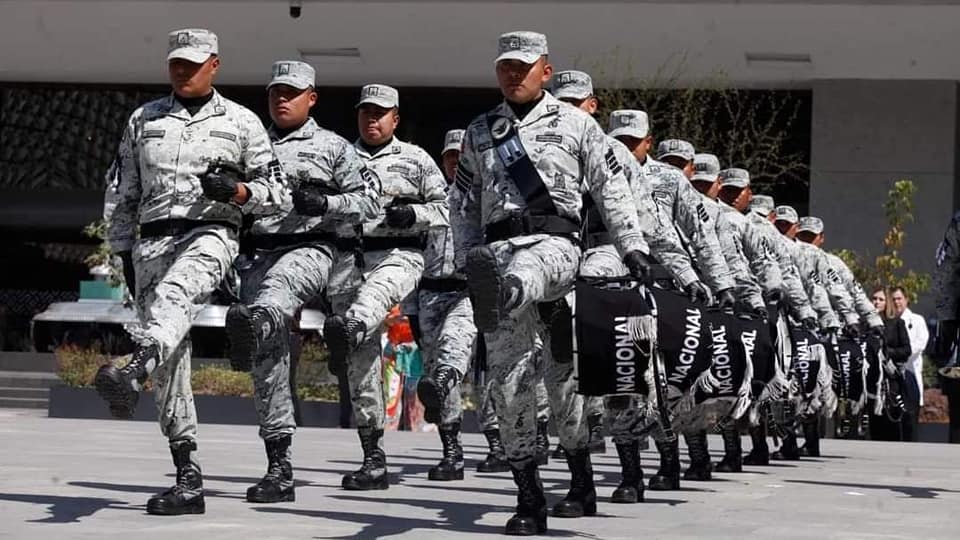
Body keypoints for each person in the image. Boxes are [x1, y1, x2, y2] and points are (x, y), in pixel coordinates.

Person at [452, 31, 651, 535]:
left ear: (545, 69)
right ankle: (531, 496)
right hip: (494, 255)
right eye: (505, 67)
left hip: (557, 249)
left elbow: (611, 189)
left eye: (523, 66)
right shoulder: (480, 131)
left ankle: (582, 478)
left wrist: (633, 247)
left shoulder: (578, 124)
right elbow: (463, 205)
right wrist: (464, 260)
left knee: (537, 296)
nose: (513, 74)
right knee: (512, 383)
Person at [97, 28, 287, 515]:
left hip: (210, 233)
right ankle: (187, 477)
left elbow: (279, 194)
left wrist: (241, 193)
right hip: (152, 241)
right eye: (176, 62)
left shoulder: (243, 123)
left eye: (193, 62)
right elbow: (123, 190)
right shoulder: (144, 119)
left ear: (215, 65)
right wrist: (121, 251)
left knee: (178, 296)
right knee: (171, 361)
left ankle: (134, 366)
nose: (183, 70)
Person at [227, 60, 380, 503]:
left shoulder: (333, 147)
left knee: (276, 297)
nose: (281, 99)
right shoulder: (249, 145)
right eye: (275, 91)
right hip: (256, 252)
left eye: (291, 92)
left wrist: (327, 202)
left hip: (312, 248)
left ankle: (258, 322)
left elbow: (369, 203)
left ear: (311, 97)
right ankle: (280, 467)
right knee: (267, 361)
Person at [325, 83, 448, 490]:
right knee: (361, 368)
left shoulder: (415, 159)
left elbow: (447, 206)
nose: (372, 120)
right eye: (366, 112)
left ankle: (353, 326)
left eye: (380, 113)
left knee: (373, 301)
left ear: (395, 118)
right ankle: (373, 458)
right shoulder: (338, 155)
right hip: (348, 260)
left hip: (398, 255)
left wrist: (411, 213)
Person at [414, 128, 477, 481]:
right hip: (429, 294)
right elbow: (412, 253)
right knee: (436, 374)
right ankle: (451, 450)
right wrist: (409, 308)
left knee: (453, 354)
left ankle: (498, 440)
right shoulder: (429, 200)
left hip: (466, 292)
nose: (455, 163)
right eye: (450, 157)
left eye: (461, 156)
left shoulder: (482, 198)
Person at [867, 287, 911, 441]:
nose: (876, 302)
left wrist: (886, 352)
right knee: (873, 420)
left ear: (887, 303)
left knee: (891, 415)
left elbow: (906, 350)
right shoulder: (865, 322)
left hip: (890, 378)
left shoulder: (896, 323)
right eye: (874, 298)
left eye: (881, 299)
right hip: (871, 378)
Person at [890, 286, 929, 441]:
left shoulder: (917, 320)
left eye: (899, 298)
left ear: (906, 299)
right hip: (892, 377)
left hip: (910, 375)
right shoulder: (889, 322)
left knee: (910, 424)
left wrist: (898, 353)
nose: (897, 302)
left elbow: (920, 345)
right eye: (893, 299)